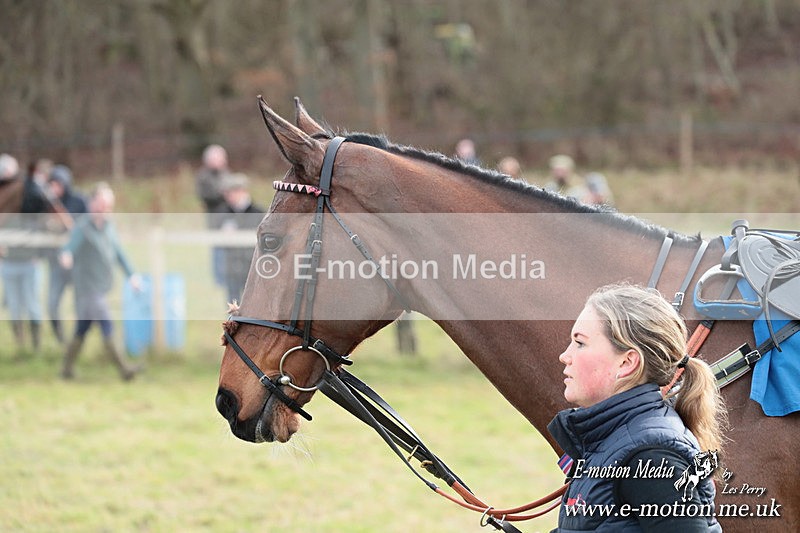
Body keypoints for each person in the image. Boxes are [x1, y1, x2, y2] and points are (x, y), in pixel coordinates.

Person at [548, 284, 725, 532]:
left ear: (627, 363)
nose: (565, 356)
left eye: (580, 343)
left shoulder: (651, 456)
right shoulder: (617, 440)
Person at [59, 182, 141, 381]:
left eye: (109, 206)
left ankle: (66, 369)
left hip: (101, 288)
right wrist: (66, 256)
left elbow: (119, 254)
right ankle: (125, 369)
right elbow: (69, 247)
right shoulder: (83, 227)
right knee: (106, 324)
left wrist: (132, 275)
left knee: (83, 327)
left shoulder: (108, 228)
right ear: (92, 203)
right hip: (87, 289)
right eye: (103, 204)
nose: (106, 210)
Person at [0, 155, 48, 352]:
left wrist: (37, 251)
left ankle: (36, 348)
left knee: (32, 304)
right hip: (8, 261)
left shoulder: (29, 193)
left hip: (29, 260)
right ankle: (20, 346)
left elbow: (40, 222)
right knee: (13, 306)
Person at [46, 165, 88, 343]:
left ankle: (78, 341)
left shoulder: (79, 201)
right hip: (56, 264)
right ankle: (60, 341)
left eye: (58, 184)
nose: (55, 188)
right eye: (52, 184)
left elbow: (85, 229)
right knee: (52, 304)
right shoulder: (45, 204)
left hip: (77, 264)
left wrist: (64, 217)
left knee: (81, 304)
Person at [211, 173, 265, 304]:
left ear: (241, 191)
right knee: (232, 303)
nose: (227, 196)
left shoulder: (258, 212)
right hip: (231, 267)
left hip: (252, 266)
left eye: (230, 192)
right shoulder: (222, 212)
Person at [195, 144, 231, 288]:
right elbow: (206, 195)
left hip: (229, 218)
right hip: (215, 218)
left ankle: (228, 275)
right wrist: (223, 193)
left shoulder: (226, 173)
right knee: (217, 249)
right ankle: (219, 279)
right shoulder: (203, 176)